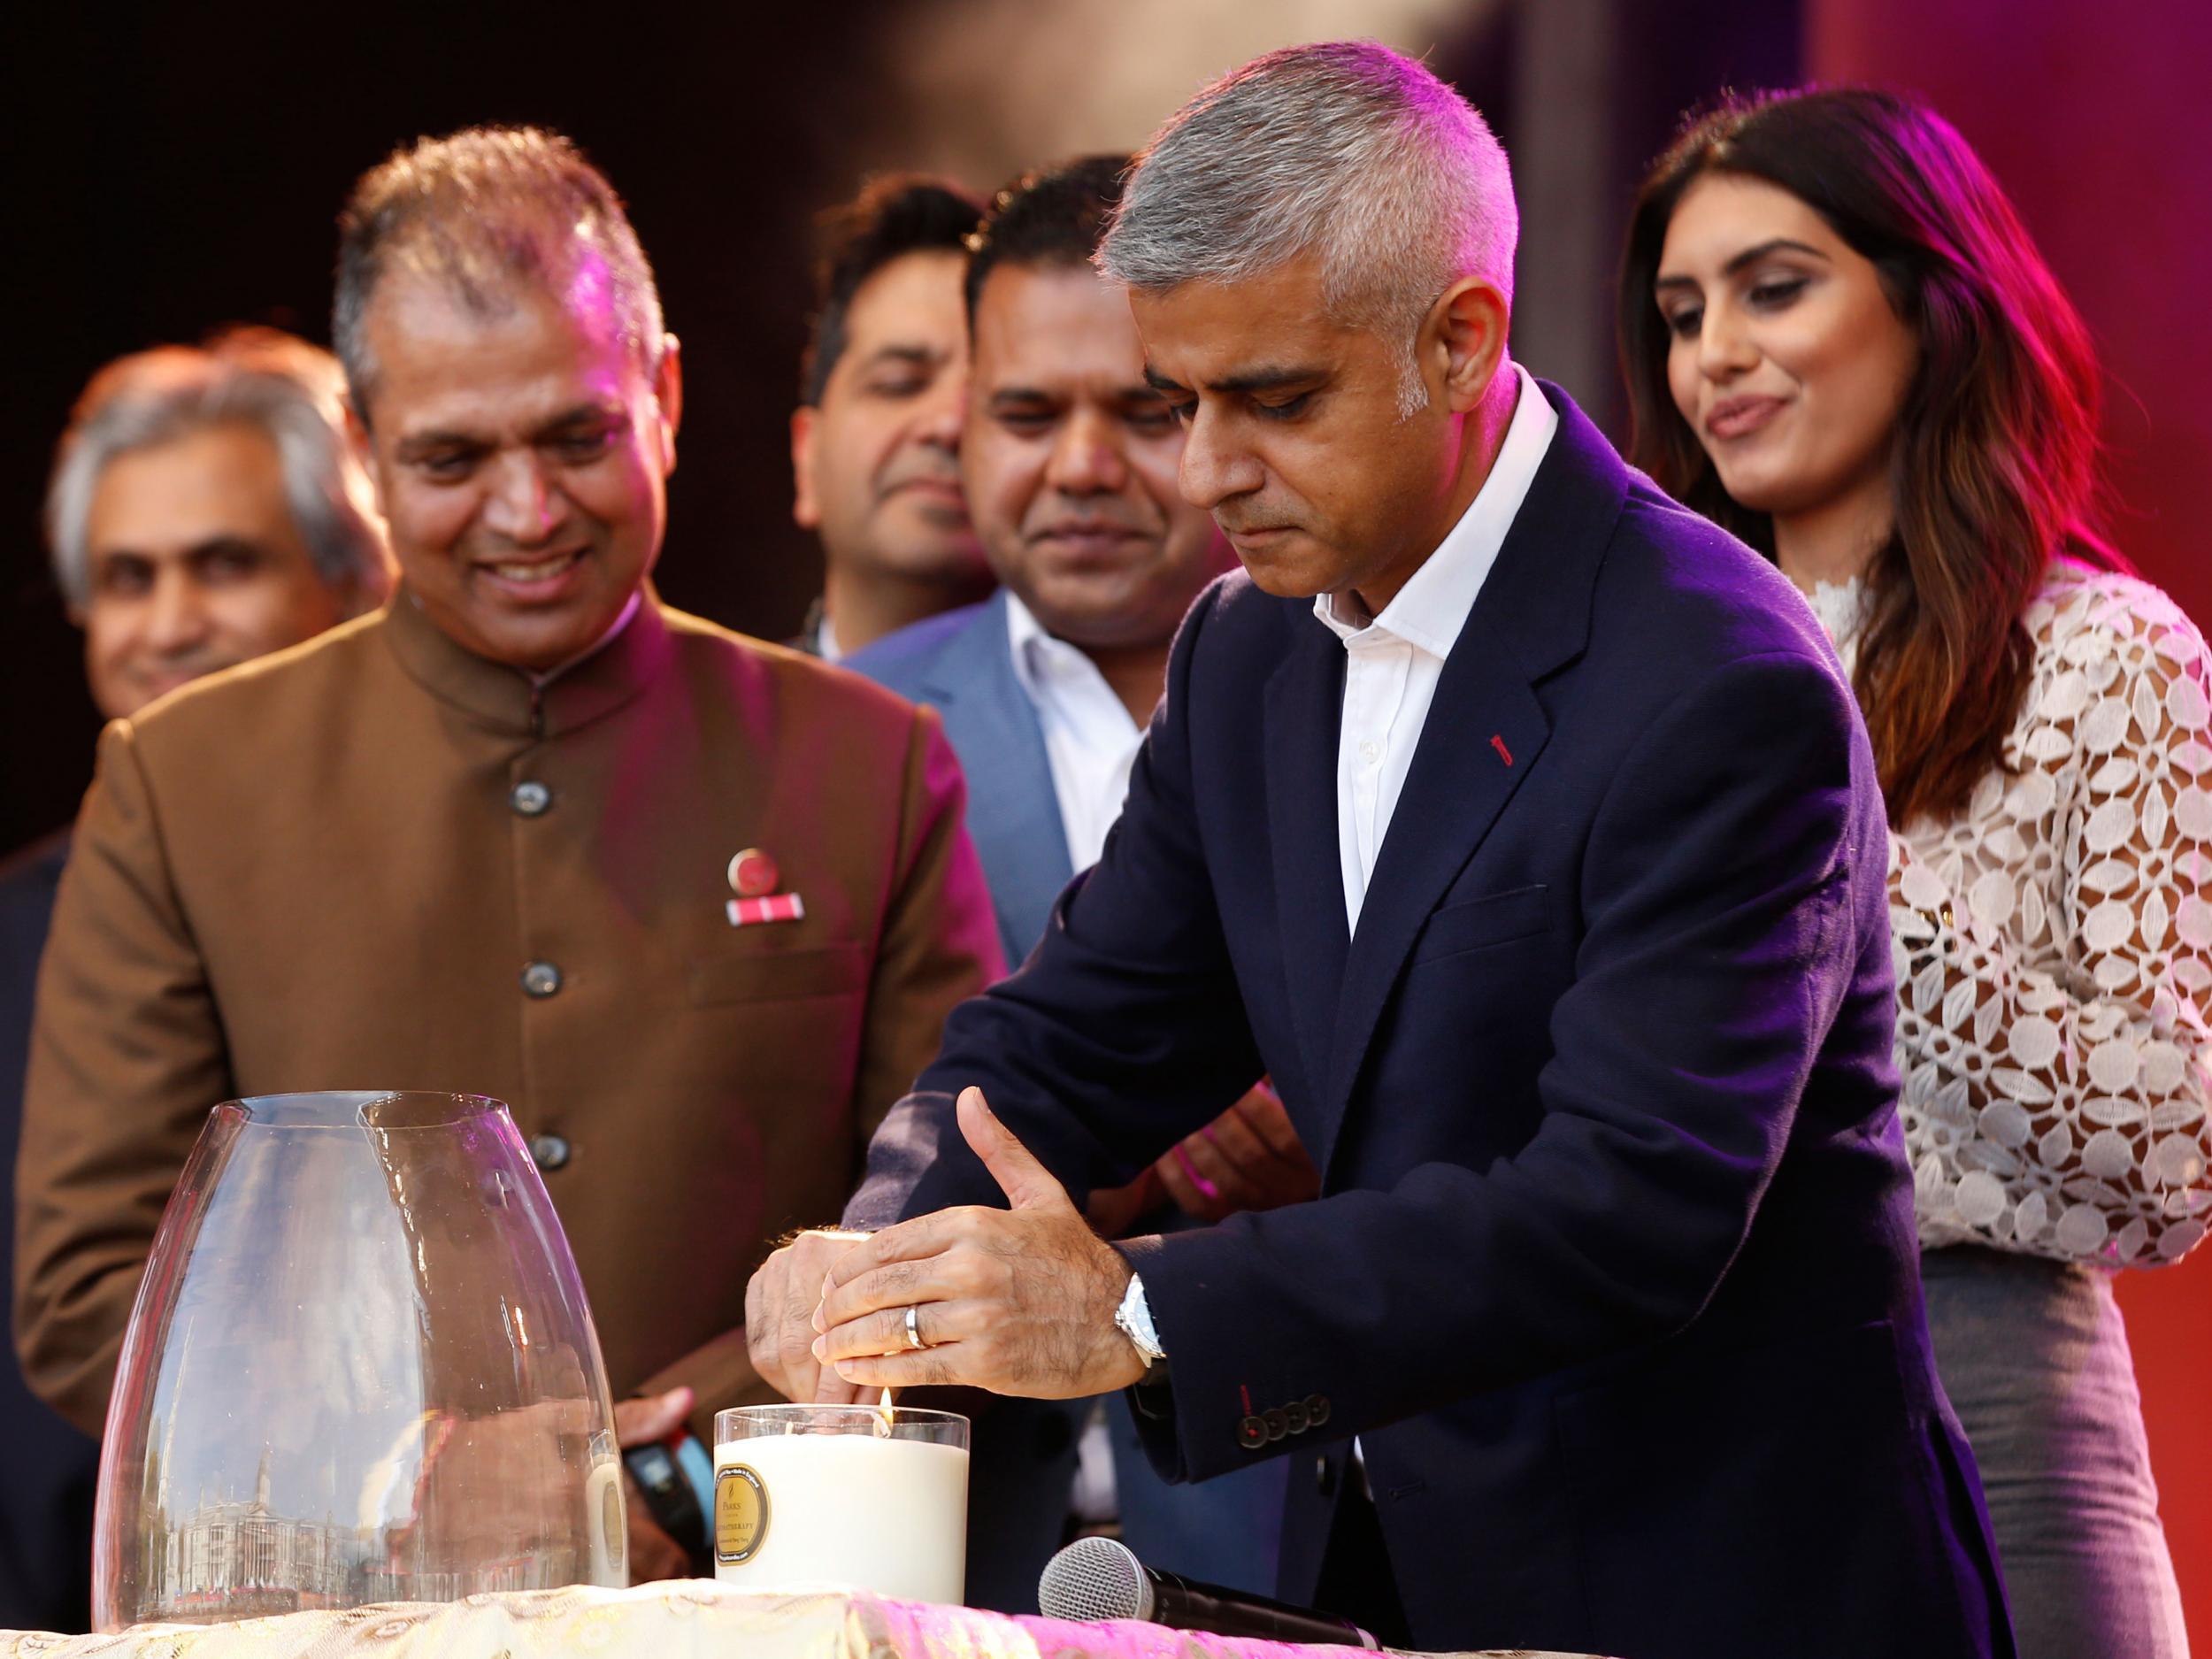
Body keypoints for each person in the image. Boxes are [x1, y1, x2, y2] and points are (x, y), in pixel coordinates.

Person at [748, 42, 2011, 1659]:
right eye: (1179, 400)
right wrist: (874, 1246)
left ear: (1459, 339)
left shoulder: (1719, 681)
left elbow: (1625, 1212)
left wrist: (1132, 1312)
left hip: (1724, 1594)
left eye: (1272, 400)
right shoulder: (1244, 653)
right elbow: (1076, 1030)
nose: (1206, 471)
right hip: (1399, 1597)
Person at [15, 127, 1002, 1583]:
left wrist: (663, 1470)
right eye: (453, 458)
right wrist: (395, 1476)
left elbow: (951, 1219)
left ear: (661, 394)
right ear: (360, 446)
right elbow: (90, 1284)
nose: (529, 512)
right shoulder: (180, 784)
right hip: (325, 1613)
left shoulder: (868, 761)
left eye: (576, 436)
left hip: (758, 1596)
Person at [1617, 85, 2208, 1659]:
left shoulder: (2103, 658)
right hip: (1650, 1423)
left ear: (1935, 302)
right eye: (1682, 314)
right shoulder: (1621, 683)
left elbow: (2169, 1157)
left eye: (1774, 286)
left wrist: (1834, 862)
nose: (1713, 356)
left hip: (1986, 1407)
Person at [848, 156, 1297, 1609]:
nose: (1085, 466)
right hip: (945, 1547)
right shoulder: (837, 738)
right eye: (1030, 414)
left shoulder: (1367, 703)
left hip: (1319, 1523)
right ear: (961, 424)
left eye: (1145, 411)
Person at [0, 326, 389, 1632]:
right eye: (127, 577)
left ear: (355, 578)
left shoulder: (435, 888)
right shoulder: (13, 935)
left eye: (225, 563)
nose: (171, 624)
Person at [789, 175, 995, 660]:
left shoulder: (1140, 732)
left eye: (995, 398)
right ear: (806, 456)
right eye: (900, 383)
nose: (948, 424)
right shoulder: (716, 729)